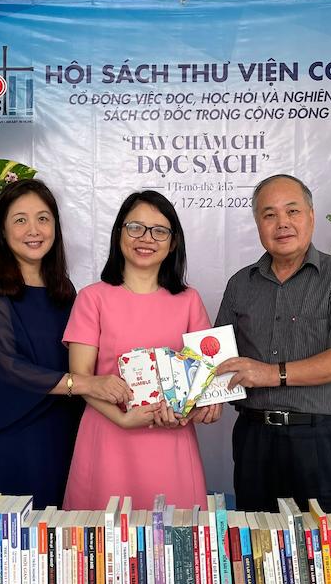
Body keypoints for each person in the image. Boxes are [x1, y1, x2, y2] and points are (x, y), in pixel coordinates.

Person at [0, 179, 131, 508]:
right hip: (13, 435)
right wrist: (86, 383)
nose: (34, 230)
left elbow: (87, 355)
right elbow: (7, 366)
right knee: (16, 533)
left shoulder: (63, 289)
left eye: (43, 218)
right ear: (2, 231)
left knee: (66, 531)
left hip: (66, 432)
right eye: (20, 220)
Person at [214, 173, 331, 512]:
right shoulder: (240, 284)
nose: (282, 223)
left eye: (292, 211)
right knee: (255, 538)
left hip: (320, 438)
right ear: (258, 224)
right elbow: (218, 362)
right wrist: (196, 398)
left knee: (326, 539)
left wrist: (271, 373)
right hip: (254, 438)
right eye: (269, 214)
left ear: (311, 217)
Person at [63, 190, 221, 510]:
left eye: (159, 231)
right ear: (119, 233)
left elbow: (205, 378)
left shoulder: (189, 300)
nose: (146, 238)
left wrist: (198, 407)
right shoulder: (92, 298)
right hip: (108, 439)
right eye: (135, 227)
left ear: (173, 243)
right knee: (104, 536)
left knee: (175, 534)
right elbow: (81, 378)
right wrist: (122, 419)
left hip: (171, 441)